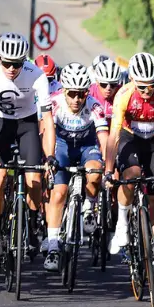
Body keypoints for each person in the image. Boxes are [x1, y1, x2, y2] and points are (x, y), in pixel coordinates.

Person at [105, 52, 154, 289]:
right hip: (131, 138)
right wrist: (108, 170)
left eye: (151, 86)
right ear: (133, 81)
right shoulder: (124, 95)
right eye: (142, 87)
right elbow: (114, 135)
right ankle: (122, 225)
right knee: (131, 175)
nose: (147, 91)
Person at [0, 33, 54, 259]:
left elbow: (48, 121)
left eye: (17, 64)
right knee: (0, 177)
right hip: (1, 123)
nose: (11, 69)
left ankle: (31, 229)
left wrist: (49, 156)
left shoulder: (37, 76)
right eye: (6, 63)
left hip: (27, 125)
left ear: (25, 61)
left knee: (34, 179)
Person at [44, 63, 107, 272]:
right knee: (59, 193)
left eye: (81, 94)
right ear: (64, 90)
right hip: (61, 147)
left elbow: (103, 138)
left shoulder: (94, 106)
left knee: (95, 172)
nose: (77, 100)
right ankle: (53, 246)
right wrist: (49, 157)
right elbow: (46, 133)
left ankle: (89, 208)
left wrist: (107, 163)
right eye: (72, 94)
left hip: (86, 147)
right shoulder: (54, 103)